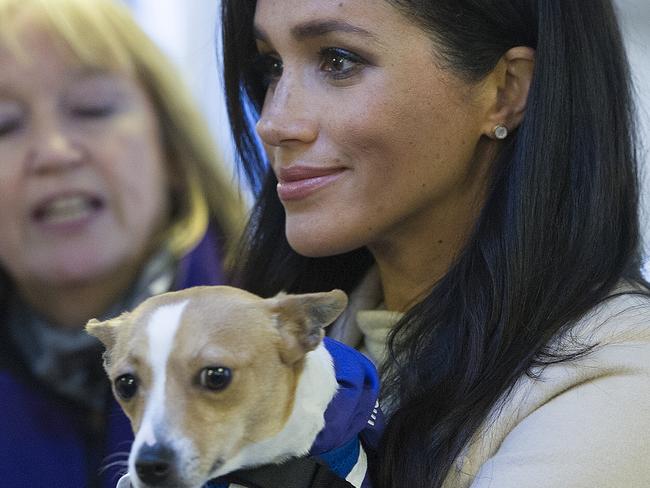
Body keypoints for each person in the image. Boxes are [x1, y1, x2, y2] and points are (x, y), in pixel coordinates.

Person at [220, 0, 650, 487]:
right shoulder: (301, 333)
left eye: (338, 60)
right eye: (271, 66)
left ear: (505, 91)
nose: (273, 122)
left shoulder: (618, 382)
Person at [0, 0, 244, 487]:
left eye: (91, 108)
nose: (53, 153)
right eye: (4, 124)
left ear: (171, 149)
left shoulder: (294, 329)